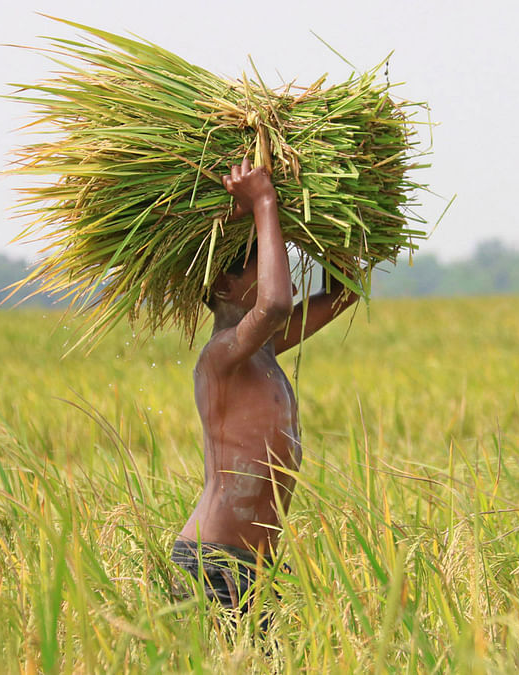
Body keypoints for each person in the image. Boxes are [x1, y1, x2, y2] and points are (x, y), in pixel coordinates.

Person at [171, 156, 360, 619]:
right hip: (212, 564)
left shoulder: (265, 348)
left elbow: (346, 290)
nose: (282, 273)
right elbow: (274, 303)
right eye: (262, 262)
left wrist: (313, 215)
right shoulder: (220, 356)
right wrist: (264, 201)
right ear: (223, 284)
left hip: (256, 568)